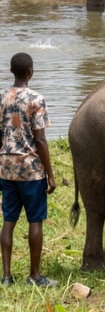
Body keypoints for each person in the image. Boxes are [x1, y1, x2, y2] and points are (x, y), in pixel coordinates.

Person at [0, 53, 57, 287]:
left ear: (12, 71)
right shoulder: (36, 99)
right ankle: (34, 276)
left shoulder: (3, 98)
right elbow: (40, 139)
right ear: (30, 72)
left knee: (8, 221)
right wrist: (50, 174)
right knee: (35, 221)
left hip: (6, 168)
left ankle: (6, 276)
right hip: (31, 171)